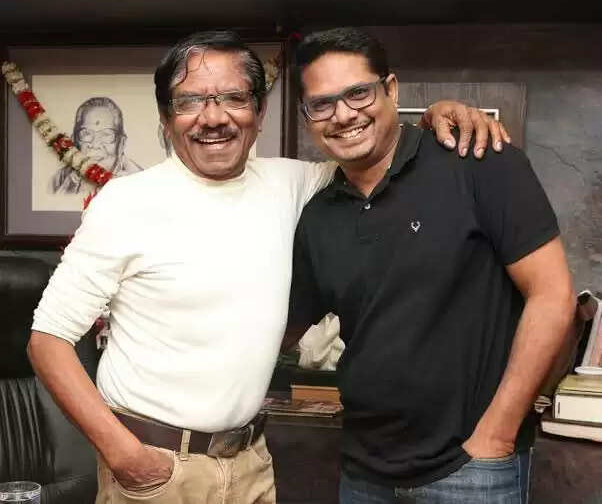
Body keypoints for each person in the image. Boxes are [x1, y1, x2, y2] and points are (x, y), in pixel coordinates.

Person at [28, 30, 510, 504]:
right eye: (191, 101)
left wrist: (436, 115)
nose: (213, 118)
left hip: (251, 463)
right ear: (166, 118)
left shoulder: (296, 183)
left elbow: (374, 149)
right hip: (157, 470)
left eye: (234, 98)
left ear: (258, 113)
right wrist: (126, 456)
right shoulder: (124, 203)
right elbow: (47, 341)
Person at [284, 27, 575, 504]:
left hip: (472, 468)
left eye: (358, 93)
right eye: (322, 103)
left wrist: (496, 435)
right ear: (308, 115)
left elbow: (552, 295)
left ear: (391, 89)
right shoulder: (318, 216)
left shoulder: (478, 161)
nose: (344, 114)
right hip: (364, 472)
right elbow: (284, 327)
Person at [52, 96, 143, 194]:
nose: (95, 144)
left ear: (122, 143)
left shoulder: (140, 180)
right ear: (74, 140)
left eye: (106, 134)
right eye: (86, 133)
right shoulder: (59, 180)